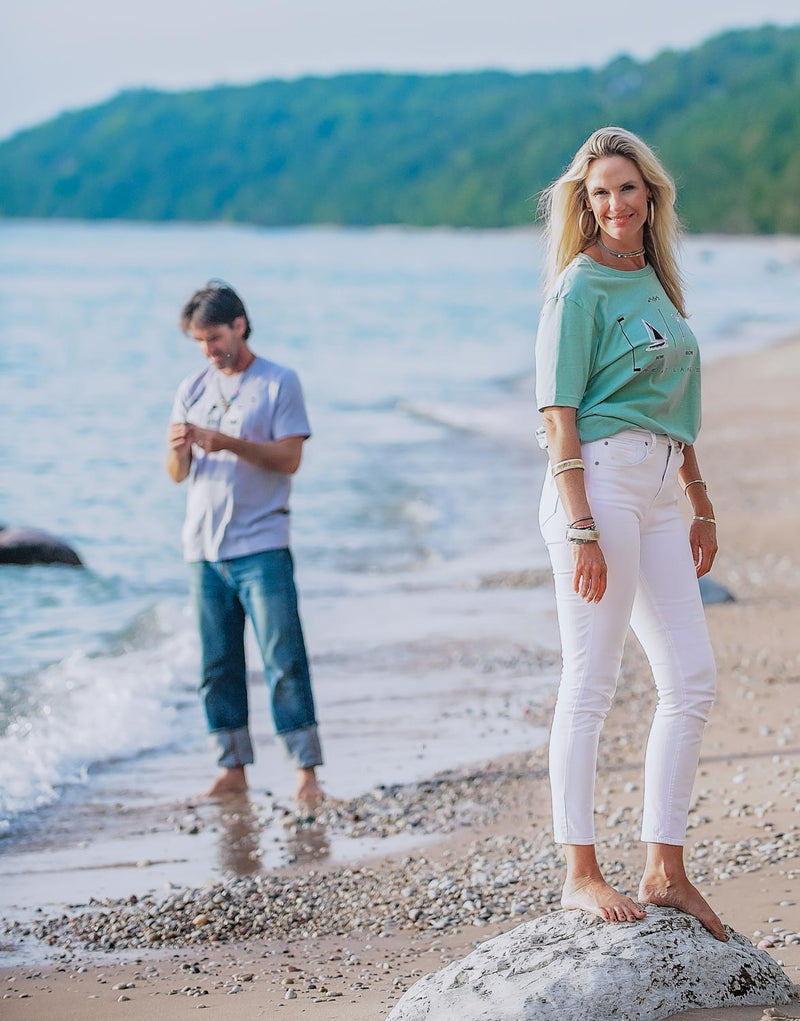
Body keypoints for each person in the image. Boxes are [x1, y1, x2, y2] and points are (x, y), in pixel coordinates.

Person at [534, 127, 726, 941]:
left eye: (628, 189)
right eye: (600, 192)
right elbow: (558, 412)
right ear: (587, 204)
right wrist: (579, 522)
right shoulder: (577, 288)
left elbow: (671, 404)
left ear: (651, 197)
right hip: (598, 488)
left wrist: (699, 498)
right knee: (592, 679)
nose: (615, 203)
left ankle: (664, 867)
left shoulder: (653, 279)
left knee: (693, 678)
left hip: (657, 491)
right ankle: (580, 872)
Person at [166, 281, 323, 806]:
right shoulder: (191, 388)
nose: (208, 349)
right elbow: (175, 474)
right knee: (217, 664)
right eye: (199, 341)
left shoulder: (279, 382)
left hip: (262, 542)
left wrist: (225, 442)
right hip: (203, 549)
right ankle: (232, 767)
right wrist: (179, 450)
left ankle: (306, 772)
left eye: (213, 337)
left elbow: (290, 460)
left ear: (239, 324)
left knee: (283, 659)